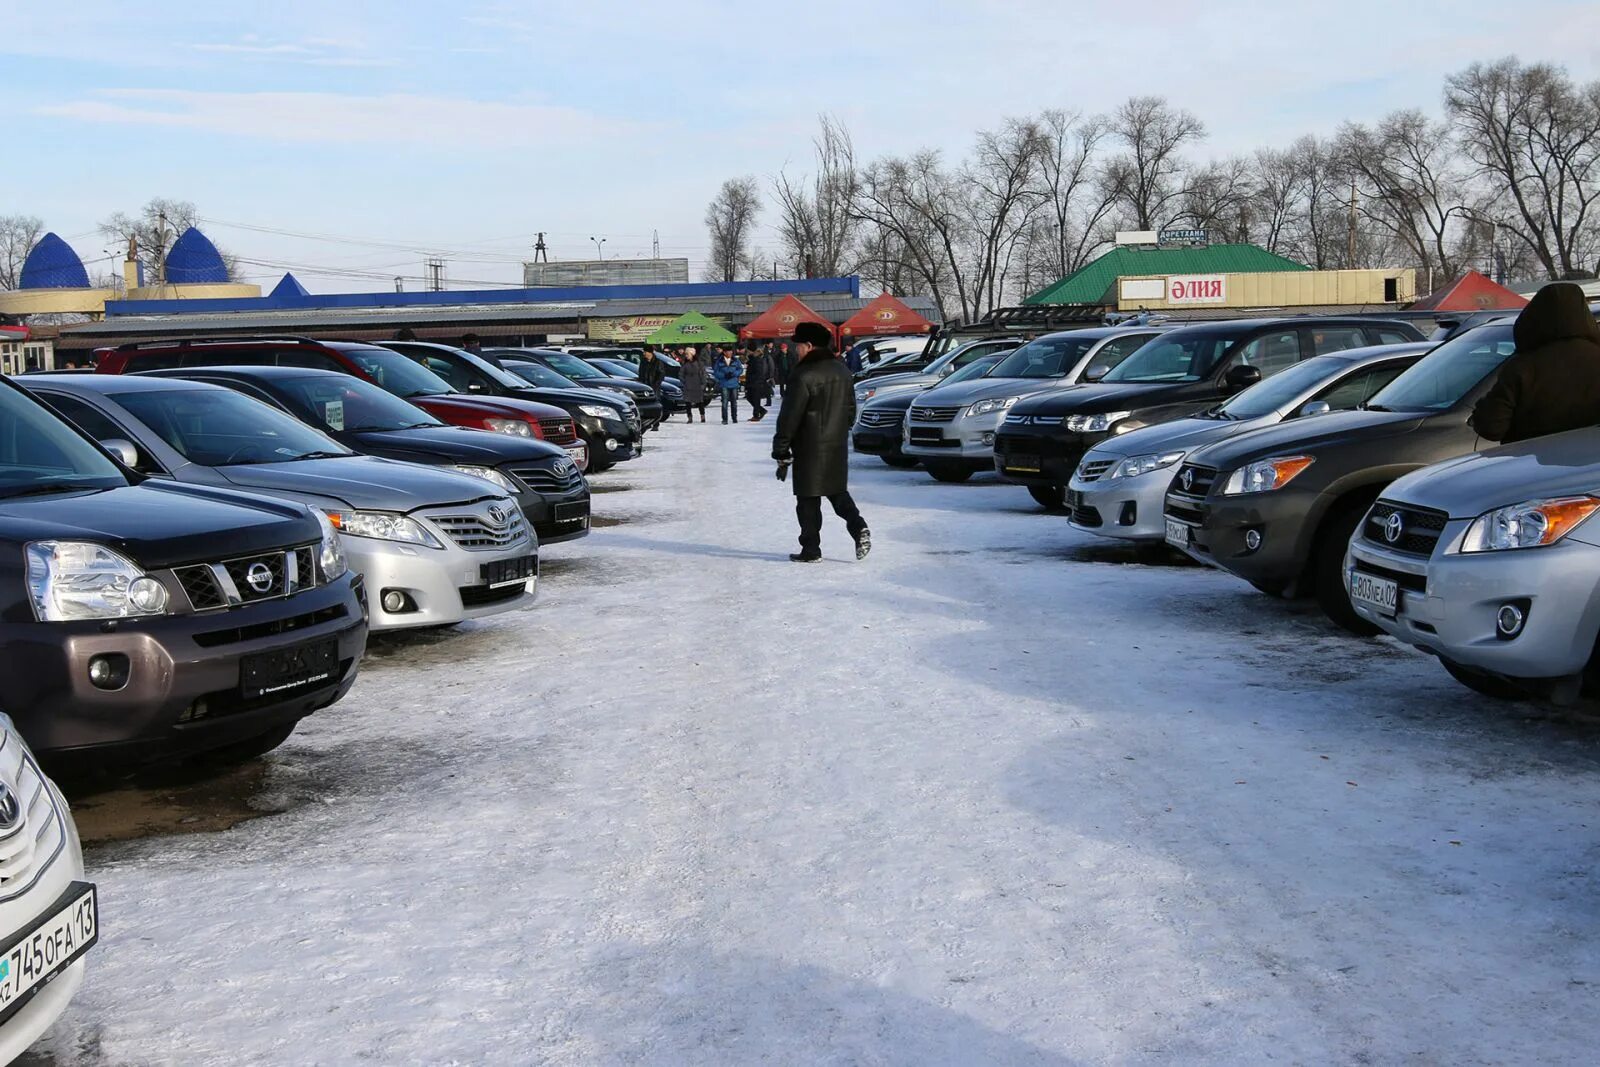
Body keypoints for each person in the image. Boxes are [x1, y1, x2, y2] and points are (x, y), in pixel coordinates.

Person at [772, 322, 871, 563]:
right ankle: (858, 526)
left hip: (808, 445)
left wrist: (781, 448)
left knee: (807, 499)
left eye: (798, 346)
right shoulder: (842, 371)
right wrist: (838, 429)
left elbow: (790, 416)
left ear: (808, 345)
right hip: (835, 443)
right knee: (836, 492)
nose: (796, 351)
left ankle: (811, 549)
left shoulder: (803, 374)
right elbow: (850, 411)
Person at [1471, 281, 1600, 444]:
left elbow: (1491, 427)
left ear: (1534, 317)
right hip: (1590, 464)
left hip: (1530, 462)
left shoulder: (1523, 367)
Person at [711, 346, 745, 423]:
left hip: (734, 384)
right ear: (724, 352)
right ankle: (725, 419)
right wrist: (724, 375)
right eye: (728, 351)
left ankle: (734, 418)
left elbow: (740, 369)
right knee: (724, 403)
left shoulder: (736, 360)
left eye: (731, 351)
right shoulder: (719, 361)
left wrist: (734, 374)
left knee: (734, 402)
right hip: (724, 384)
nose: (730, 353)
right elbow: (716, 372)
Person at [744, 344, 775, 422]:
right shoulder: (752, 359)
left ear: (751, 351)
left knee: (755, 398)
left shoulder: (757, 359)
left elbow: (758, 372)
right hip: (752, 382)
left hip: (756, 383)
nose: (746, 352)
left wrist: (753, 379)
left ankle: (756, 415)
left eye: (747, 350)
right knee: (750, 397)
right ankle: (761, 411)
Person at [679, 346, 709, 422]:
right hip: (688, 385)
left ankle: (702, 416)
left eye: (688, 354)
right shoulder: (685, 364)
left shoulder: (699, 363)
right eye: (686, 354)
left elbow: (703, 374)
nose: (686, 356)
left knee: (700, 401)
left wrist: (703, 384)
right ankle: (689, 417)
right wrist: (684, 381)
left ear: (692, 354)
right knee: (687, 402)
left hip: (697, 384)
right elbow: (681, 374)